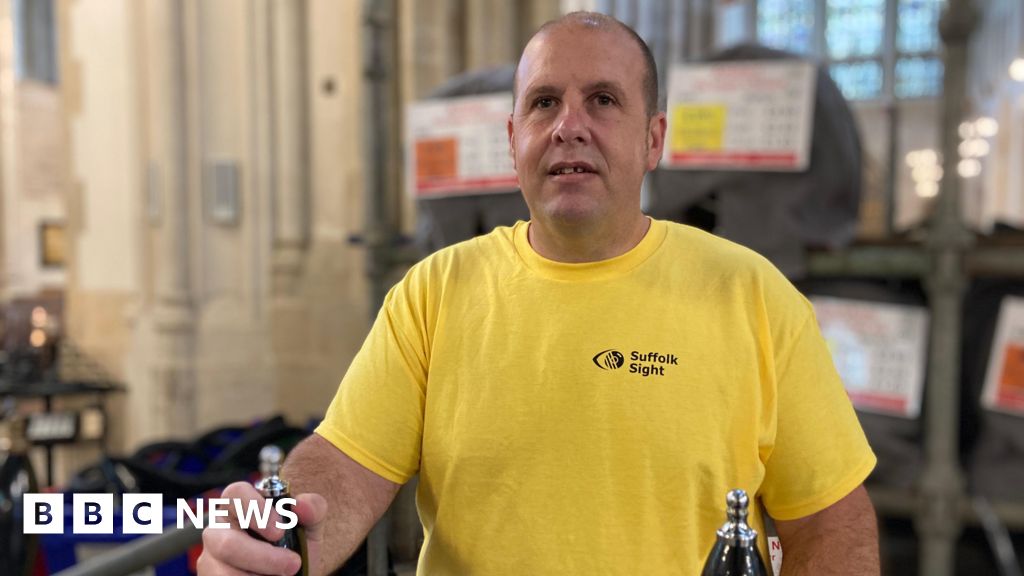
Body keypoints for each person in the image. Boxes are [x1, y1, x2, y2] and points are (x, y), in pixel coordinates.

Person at [199, 11, 879, 576]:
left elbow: (831, 523)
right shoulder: (434, 294)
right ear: (512, 139)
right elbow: (344, 467)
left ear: (653, 140)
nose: (568, 126)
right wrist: (275, 537)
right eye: (544, 102)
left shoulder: (753, 296)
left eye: (603, 100)